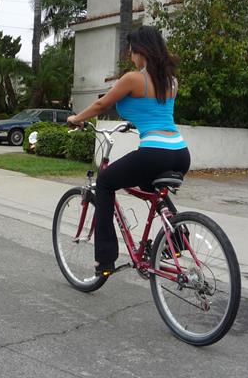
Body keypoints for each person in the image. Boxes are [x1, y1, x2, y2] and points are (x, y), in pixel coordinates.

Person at [67, 26, 190, 276]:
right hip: (180, 152)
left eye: (132, 51)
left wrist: (76, 118)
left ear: (140, 52)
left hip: (155, 151)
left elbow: (103, 104)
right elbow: (154, 112)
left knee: (105, 182)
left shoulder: (134, 79)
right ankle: (177, 237)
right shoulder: (171, 81)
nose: (132, 57)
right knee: (149, 185)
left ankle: (105, 259)